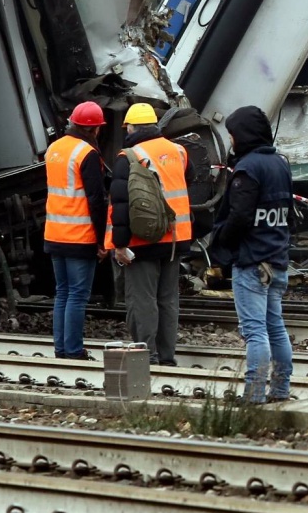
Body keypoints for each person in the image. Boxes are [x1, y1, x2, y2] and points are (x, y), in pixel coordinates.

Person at [211, 105, 294, 404]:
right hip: (277, 259)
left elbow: (240, 216)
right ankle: (281, 389)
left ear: (243, 135)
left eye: (232, 135)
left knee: (255, 332)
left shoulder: (248, 169)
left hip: (252, 262)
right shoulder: (280, 164)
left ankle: (254, 394)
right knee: (276, 327)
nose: (231, 141)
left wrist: (222, 243)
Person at [107, 102, 193, 365]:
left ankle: (147, 357)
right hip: (177, 238)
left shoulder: (130, 157)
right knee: (168, 300)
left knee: (142, 300)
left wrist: (119, 245)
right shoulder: (179, 151)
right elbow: (188, 183)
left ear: (132, 127)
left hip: (142, 240)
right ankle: (167, 357)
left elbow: (120, 207)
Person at [44, 101, 108, 359]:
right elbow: (96, 199)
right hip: (79, 236)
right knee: (78, 295)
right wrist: (103, 240)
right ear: (94, 129)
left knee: (63, 293)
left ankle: (61, 349)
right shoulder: (87, 153)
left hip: (54, 233)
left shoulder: (54, 149)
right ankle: (73, 350)